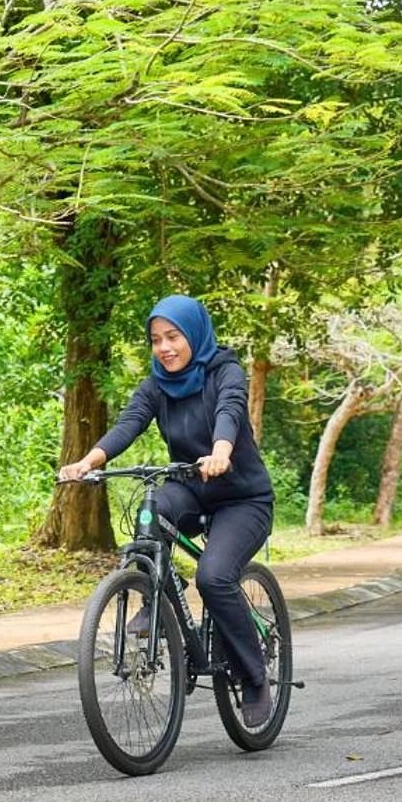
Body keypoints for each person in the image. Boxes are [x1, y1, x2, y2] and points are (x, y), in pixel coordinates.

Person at [57, 294, 278, 729]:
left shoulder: (225, 371)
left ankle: (254, 679)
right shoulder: (157, 385)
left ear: (193, 334)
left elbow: (230, 412)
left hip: (241, 498)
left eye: (173, 337)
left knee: (214, 577)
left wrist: (220, 452)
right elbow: (128, 423)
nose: (165, 348)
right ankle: (157, 591)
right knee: (148, 516)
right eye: (156, 340)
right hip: (192, 489)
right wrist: (88, 462)